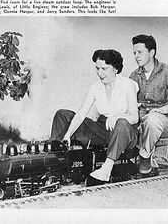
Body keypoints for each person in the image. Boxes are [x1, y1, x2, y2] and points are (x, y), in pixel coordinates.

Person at [48, 49, 139, 183]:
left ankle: (106, 169)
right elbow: (81, 114)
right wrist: (67, 135)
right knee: (62, 114)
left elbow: (134, 117)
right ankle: (55, 158)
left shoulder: (128, 85)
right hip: (102, 129)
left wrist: (116, 118)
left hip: (125, 131)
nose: (100, 73)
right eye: (97, 68)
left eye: (104, 69)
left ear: (115, 68)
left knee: (121, 123)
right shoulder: (95, 87)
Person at [129, 34, 168, 174]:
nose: (136, 56)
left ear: (152, 52)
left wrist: (162, 110)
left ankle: (145, 155)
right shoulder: (134, 76)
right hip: (142, 118)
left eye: (140, 52)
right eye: (134, 53)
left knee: (153, 119)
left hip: (165, 121)